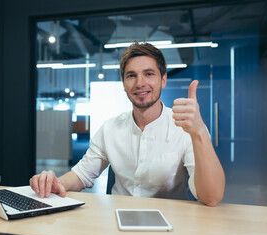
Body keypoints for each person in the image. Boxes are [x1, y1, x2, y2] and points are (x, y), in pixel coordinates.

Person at [30, 42, 225, 207]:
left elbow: (211, 197)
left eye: (149, 74)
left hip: (170, 225)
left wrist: (199, 131)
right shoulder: (110, 129)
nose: (140, 83)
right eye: (131, 75)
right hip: (117, 222)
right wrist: (55, 183)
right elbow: (81, 175)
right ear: (123, 83)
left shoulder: (186, 128)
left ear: (163, 80)